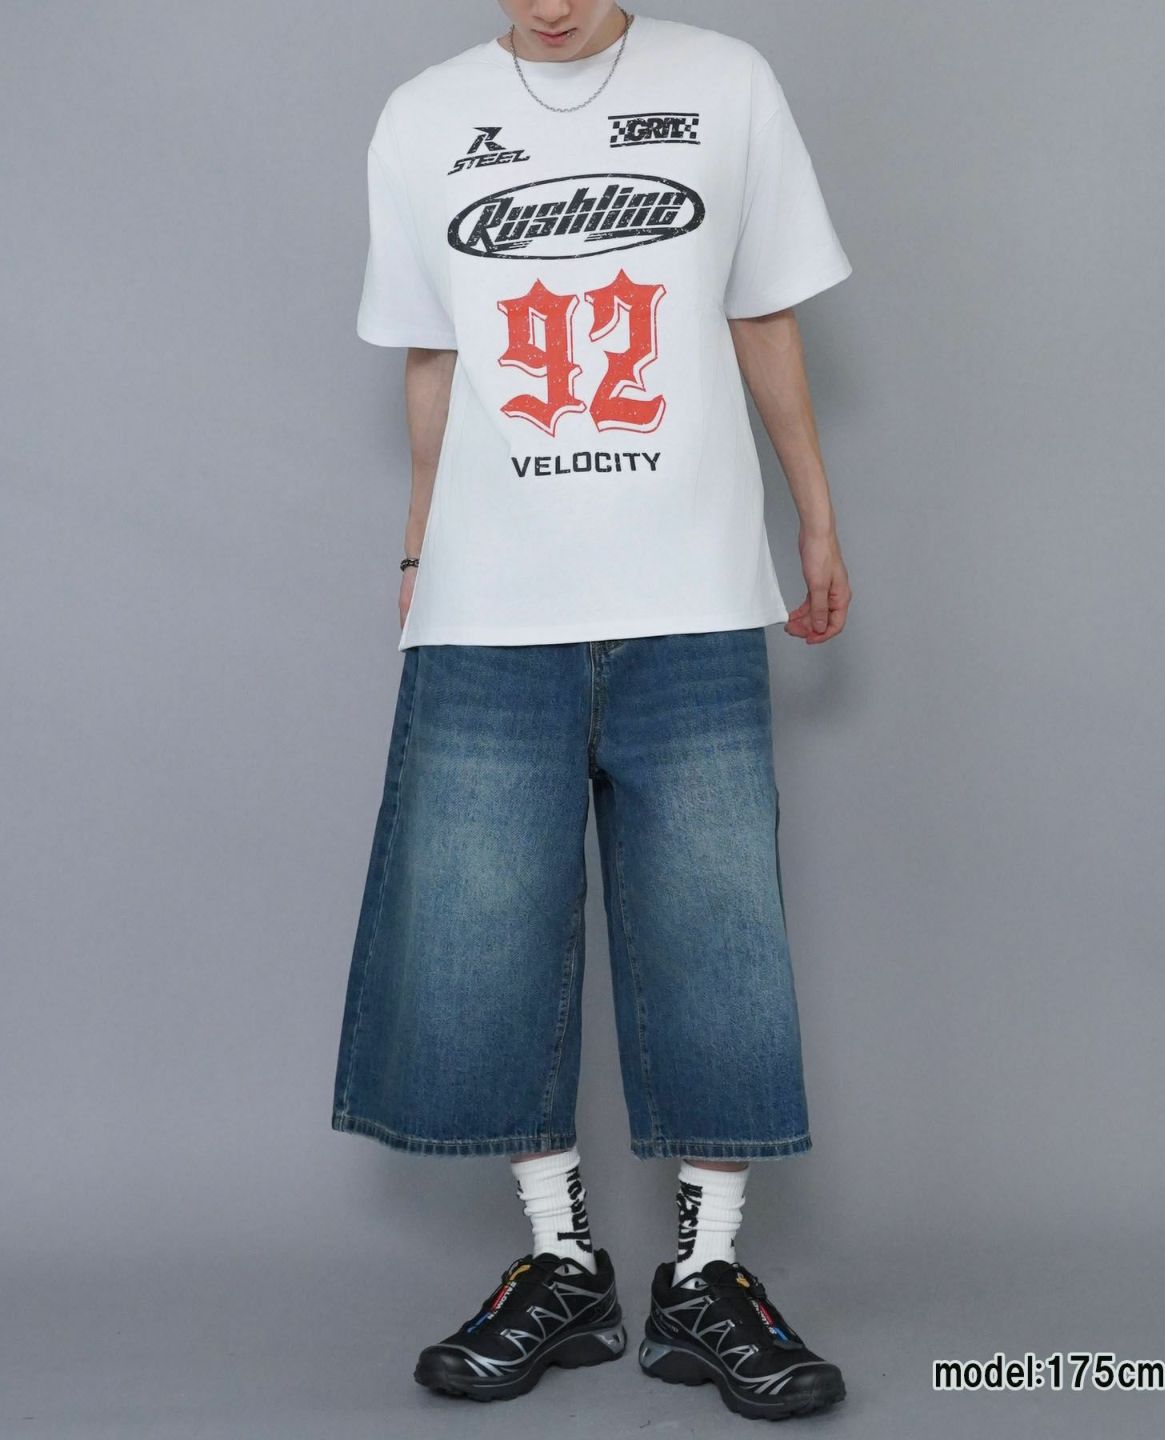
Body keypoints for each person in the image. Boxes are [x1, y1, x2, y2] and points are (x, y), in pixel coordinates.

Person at [331, 0, 854, 1421]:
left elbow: (762, 310)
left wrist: (814, 516)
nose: (550, 6)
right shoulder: (424, 116)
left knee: (717, 929)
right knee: (484, 930)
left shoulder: (726, 83)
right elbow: (433, 356)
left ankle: (710, 1278)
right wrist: (417, 548)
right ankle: (559, 1262)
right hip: (492, 595)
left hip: (692, 583)